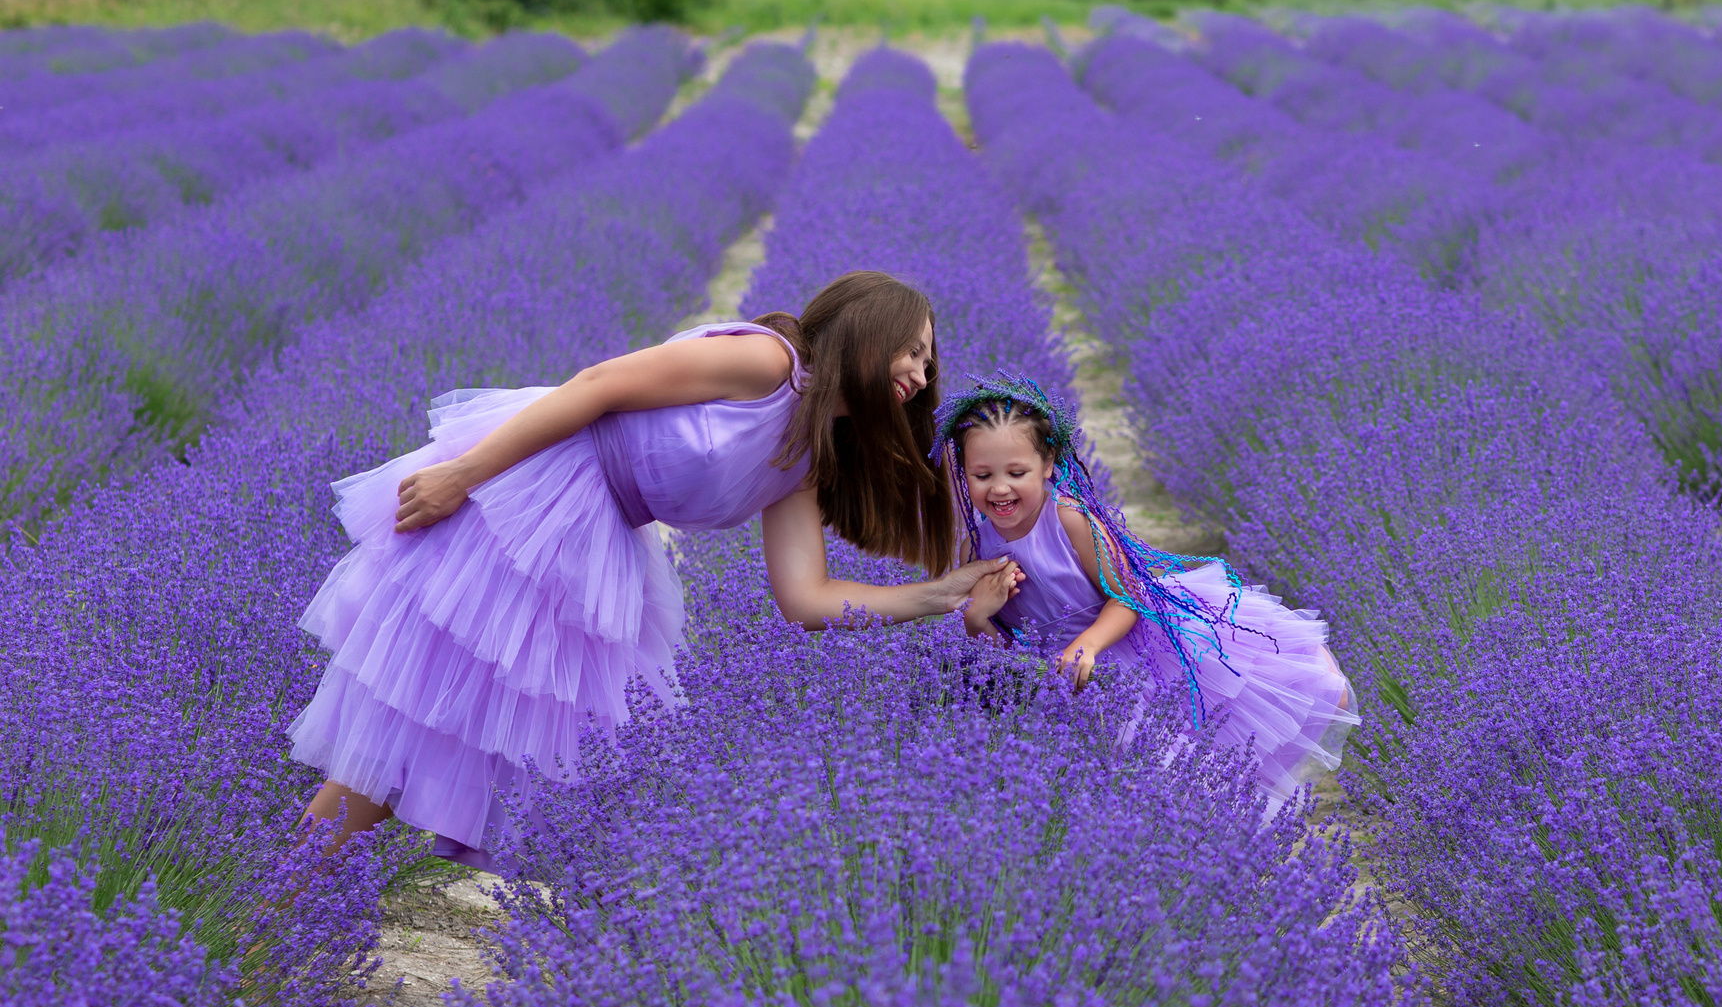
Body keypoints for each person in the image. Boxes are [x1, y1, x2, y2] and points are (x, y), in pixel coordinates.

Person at [291, 271, 1010, 866]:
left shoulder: (806, 457)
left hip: (593, 542)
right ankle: (270, 925)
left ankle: (276, 921)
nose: (920, 374)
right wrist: (465, 474)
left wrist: (935, 595)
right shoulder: (769, 364)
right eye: (911, 351)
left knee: (425, 746)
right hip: (536, 498)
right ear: (866, 332)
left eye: (928, 361)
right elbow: (602, 383)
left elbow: (805, 598)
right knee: (401, 736)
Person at [942, 376, 1356, 805]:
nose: (1000, 488)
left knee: (1192, 757)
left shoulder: (1068, 519)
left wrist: (1089, 643)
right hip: (1059, 681)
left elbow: (1128, 597)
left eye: (1017, 472)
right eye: (982, 475)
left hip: (1131, 651)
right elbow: (1004, 653)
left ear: (1047, 464)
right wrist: (976, 618)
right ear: (964, 473)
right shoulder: (975, 548)